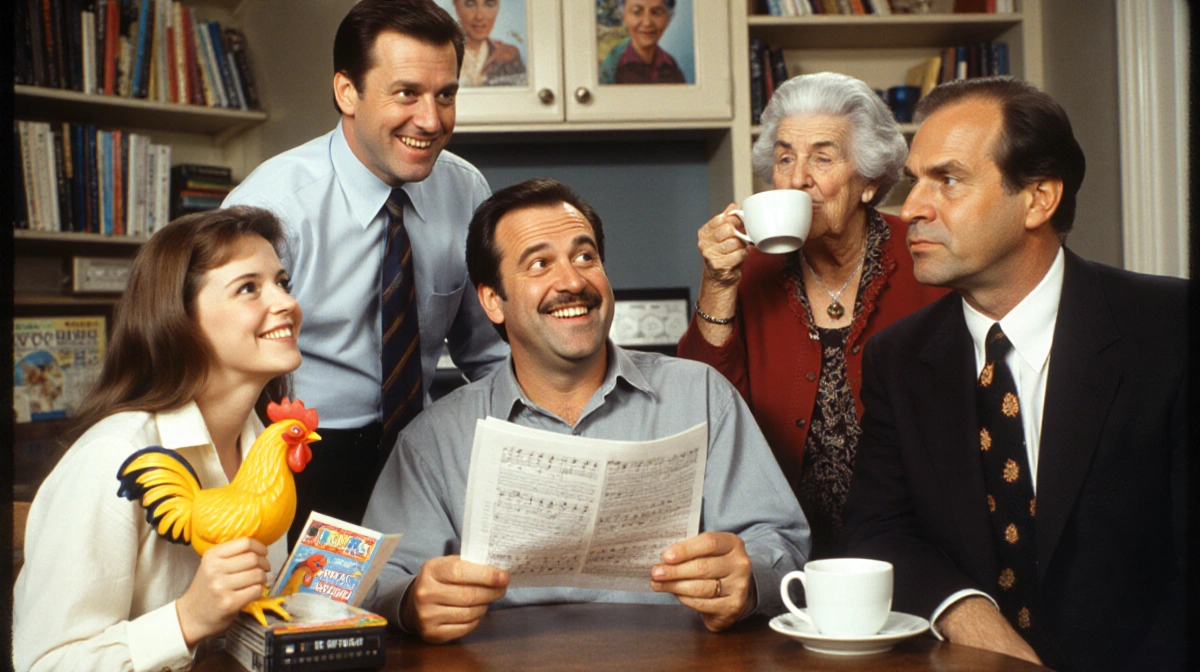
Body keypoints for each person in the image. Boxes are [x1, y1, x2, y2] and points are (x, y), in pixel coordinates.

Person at [362, 178, 810, 644]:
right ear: (493, 300)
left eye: (585, 257)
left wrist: (749, 578)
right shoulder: (434, 440)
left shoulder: (701, 396)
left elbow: (782, 543)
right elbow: (376, 579)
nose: (573, 282)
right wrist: (413, 602)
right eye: (539, 264)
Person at [841, 77, 1186, 671]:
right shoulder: (897, 357)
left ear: (1038, 199)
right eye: (913, 182)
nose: (912, 209)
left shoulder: (1172, 328)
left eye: (946, 180)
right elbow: (880, 532)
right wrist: (963, 611)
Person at [223, 0, 508, 543]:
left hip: (421, 452)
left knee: (434, 613)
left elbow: (489, 349)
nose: (431, 120)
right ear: (346, 92)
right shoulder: (273, 206)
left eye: (445, 95)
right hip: (301, 458)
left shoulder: (465, 189)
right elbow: (221, 364)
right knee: (324, 621)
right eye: (407, 93)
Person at [13, 207, 303, 672]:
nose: (286, 302)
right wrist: (187, 618)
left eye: (282, 282)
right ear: (180, 320)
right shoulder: (108, 457)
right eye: (249, 287)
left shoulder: (263, 445)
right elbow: (45, 663)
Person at [677, 72, 945, 559]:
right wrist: (718, 285)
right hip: (780, 552)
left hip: (918, 549)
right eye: (784, 158)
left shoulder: (928, 261)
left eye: (822, 157)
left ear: (868, 181)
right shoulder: (748, 270)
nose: (798, 177)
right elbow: (703, 408)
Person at [598, 0, 686, 85]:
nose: (647, 23)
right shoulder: (611, 69)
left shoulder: (670, 66)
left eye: (656, 12)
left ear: (668, 18)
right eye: (637, 12)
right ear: (622, 16)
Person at [453, 0, 527, 87]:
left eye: (489, 4)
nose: (479, 16)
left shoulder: (509, 56)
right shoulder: (441, 53)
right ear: (456, 7)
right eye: (470, 4)